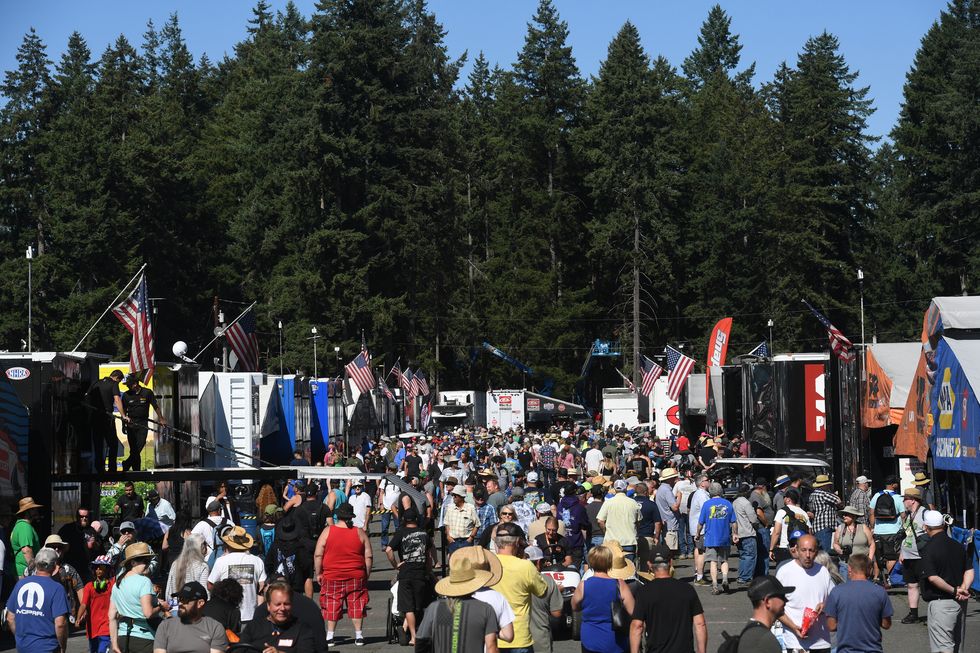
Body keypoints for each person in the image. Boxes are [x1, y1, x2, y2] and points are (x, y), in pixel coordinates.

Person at [416, 551, 501, 653]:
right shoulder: (485, 609)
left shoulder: (434, 608)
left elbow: (421, 642)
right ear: (473, 584)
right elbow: (491, 647)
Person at [315, 501, 371, 646]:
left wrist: (318, 572)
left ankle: (330, 636)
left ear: (338, 516)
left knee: (332, 603)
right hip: (356, 574)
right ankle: (359, 635)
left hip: (332, 575)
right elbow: (368, 555)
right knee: (357, 604)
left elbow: (318, 555)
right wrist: (367, 573)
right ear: (350, 517)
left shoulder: (328, 531)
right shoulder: (359, 532)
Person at [629, 547, 706, 653]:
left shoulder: (644, 592)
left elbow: (637, 626)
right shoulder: (687, 589)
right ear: (670, 562)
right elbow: (700, 624)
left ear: (649, 565)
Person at [919, 509, 974, 653]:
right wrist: (963, 588)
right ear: (943, 525)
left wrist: (955, 590)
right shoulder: (957, 545)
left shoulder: (928, 549)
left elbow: (933, 577)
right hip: (960, 601)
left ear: (926, 527)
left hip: (941, 602)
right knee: (957, 644)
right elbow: (969, 569)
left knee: (944, 647)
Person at [490, 521, 547, 653]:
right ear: (517, 542)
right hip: (518, 636)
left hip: (492, 635)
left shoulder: (488, 564)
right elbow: (542, 592)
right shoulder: (525, 566)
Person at [775, 534, 835, 653]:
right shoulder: (784, 572)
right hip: (795, 642)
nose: (807, 555)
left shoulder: (822, 571)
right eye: (803, 550)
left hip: (822, 642)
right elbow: (775, 609)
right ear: (796, 550)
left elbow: (835, 602)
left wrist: (825, 606)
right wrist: (793, 627)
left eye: (811, 551)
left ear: (817, 552)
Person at [824, 553, 893, 653]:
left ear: (849, 569)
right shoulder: (880, 592)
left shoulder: (837, 592)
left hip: (846, 650)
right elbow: (886, 624)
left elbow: (831, 626)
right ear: (869, 570)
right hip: (873, 649)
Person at [572, 544, 635, 653]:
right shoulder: (620, 584)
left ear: (591, 562)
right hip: (615, 640)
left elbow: (575, 606)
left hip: (590, 640)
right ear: (609, 562)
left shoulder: (583, 586)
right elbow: (634, 611)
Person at [384, 507, 434, 645]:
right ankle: (412, 632)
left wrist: (396, 565)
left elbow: (388, 550)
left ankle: (413, 636)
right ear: (417, 520)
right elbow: (429, 555)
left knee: (408, 607)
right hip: (420, 572)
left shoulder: (401, 532)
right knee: (418, 606)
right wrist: (429, 570)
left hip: (406, 573)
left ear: (404, 520)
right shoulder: (424, 533)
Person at [109, 542, 171, 653]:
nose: (148, 564)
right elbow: (148, 613)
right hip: (144, 638)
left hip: (123, 638)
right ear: (132, 562)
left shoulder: (117, 584)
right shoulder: (144, 581)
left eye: (149, 561)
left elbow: (112, 616)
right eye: (145, 561)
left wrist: (114, 643)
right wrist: (161, 606)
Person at [6, 547, 69, 653]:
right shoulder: (57, 588)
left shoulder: (21, 584)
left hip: (23, 648)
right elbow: (60, 624)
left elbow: (10, 618)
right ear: (55, 567)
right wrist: (63, 647)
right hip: (47, 647)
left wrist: (21, 640)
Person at [207, 526, 266, 625]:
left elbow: (210, 585)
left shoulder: (221, 561)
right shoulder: (257, 560)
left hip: (228, 614)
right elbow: (262, 586)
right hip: (252, 614)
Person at [239, 581, 318, 651]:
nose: (282, 608)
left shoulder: (302, 629)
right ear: (268, 606)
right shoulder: (253, 627)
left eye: (286, 604)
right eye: (278, 604)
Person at [151, 581, 227, 653]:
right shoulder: (165, 626)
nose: (180, 603)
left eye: (185, 600)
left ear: (200, 603)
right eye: (179, 599)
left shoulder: (214, 628)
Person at [696, 482, 738, 594]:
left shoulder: (706, 504)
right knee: (724, 560)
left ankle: (715, 585)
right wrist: (735, 534)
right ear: (721, 491)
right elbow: (733, 522)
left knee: (713, 562)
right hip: (724, 537)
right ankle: (725, 578)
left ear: (711, 492)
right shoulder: (728, 504)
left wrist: (697, 534)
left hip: (711, 538)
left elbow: (700, 523)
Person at [119, 373, 164, 471]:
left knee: (140, 444)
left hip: (142, 423)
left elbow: (155, 406)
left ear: (135, 384)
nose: (127, 386)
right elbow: (123, 411)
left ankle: (127, 463)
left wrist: (161, 419)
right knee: (134, 450)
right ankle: (136, 470)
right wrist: (123, 425)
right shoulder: (126, 395)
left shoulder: (147, 392)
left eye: (128, 384)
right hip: (131, 424)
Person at [523, 546, 563, 653]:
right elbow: (557, 613)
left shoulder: (514, 578)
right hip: (540, 637)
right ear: (539, 562)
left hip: (517, 636)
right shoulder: (548, 581)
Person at [898, 486, 928, 624]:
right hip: (908, 556)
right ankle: (913, 613)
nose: (904, 502)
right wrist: (902, 553)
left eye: (905, 499)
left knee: (928, 586)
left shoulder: (925, 514)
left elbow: (932, 534)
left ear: (913, 500)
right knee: (911, 585)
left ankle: (934, 614)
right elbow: (907, 536)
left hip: (921, 556)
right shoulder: (908, 515)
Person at [868, 475, 904, 586]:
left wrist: (873, 527)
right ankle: (889, 578)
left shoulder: (876, 496)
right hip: (893, 531)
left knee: (878, 555)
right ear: (893, 485)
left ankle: (876, 578)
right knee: (891, 556)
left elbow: (871, 513)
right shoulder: (898, 498)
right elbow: (903, 515)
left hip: (878, 531)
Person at [77, 555, 115, 653]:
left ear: (108, 570)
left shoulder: (112, 585)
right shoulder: (89, 587)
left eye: (101, 567)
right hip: (92, 628)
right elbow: (83, 604)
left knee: (102, 650)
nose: (98, 569)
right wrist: (78, 618)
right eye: (96, 567)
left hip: (106, 626)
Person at [597, 479, 641, 562]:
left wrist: (606, 531)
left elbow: (600, 521)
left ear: (614, 489)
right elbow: (639, 521)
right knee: (629, 569)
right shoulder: (633, 502)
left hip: (611, 542)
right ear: (626, 488)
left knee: (612, 570)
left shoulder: (608, 503)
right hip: (629, 541)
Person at [769, 489, 811, 564]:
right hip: (800, 549)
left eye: (784, 497)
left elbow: (776, 532)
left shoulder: (782, 512)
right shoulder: (804, 513)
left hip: (785, 547)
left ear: (788, 499)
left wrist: (771, 549)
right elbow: (809, 533)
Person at [832, 506, 874, 580]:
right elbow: (835, 543)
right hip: (846, 564)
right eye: (843, 514)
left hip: (862, 563)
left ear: (854, 516)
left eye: (847, 514)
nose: (844, 516)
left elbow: (872, 544)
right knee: (846, 588)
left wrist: (869, 559)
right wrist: (839, 550)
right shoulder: (840, 528)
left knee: (862, 588)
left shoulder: (863, 527)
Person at [732, 482, 761, 584]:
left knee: (743, 556)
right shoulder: (746, 503)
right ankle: (745, 577)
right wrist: (757, 525)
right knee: (750, 556)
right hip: (748, 532)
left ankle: (742, 576)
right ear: (747, 492)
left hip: (738, 533)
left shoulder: (734, 502)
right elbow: (753, 519)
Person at [166, 533, 209, 600]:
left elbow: (169, 589)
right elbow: (205, 592)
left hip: (176, 605)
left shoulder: (176, 564)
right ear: (200, 547)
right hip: (194, 607)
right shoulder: (202, 566)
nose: (207, 545)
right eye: (205, 543)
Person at [59, 507, 97, 582]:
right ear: (77, 517)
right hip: (71, 566)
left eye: (86, 516)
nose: (84, 518)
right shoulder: (67, 529)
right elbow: (58, 543)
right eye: (81, 516)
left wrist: (94, 545)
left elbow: (98, 548)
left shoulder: (91, 530)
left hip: (86, 568)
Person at [12, 496, 43, 578]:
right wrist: (33, 571)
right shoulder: (24, 526)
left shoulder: (22, 525)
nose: (36, 510)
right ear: (27, 511)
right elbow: (26, 550)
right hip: (25, 573)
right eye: (33, 509)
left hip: (24, 572)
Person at [688, 475, 711, 584]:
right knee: (703, 552)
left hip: (697, 527)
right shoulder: (702, 495)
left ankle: (698, 573)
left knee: (698, 550)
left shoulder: (699, 494)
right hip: (701, 528)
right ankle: (699, 577)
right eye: (707, 480)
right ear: (702, 483)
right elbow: (706, 511)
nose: (709, 481)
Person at [444, 485, 479, 555]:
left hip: (466, 541)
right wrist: (448, 536)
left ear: (461, 496)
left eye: (455, 495)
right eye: (453, 495)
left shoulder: (470, 508)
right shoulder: (450, 507)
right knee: (454, 564)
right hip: (453, 541)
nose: (453, 497)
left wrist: (470, 538)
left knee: (467, 564)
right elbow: (446, 523)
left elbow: (477, 524)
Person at [654, 468, 682, 555]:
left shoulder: (661, 489)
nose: (675, 480)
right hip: (670, 523)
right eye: (674, 478)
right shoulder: (666, 490)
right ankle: (669, 567)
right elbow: (675, 507)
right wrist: (679, 497)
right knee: (670, 551)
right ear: (670, 479)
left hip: (665, 521)